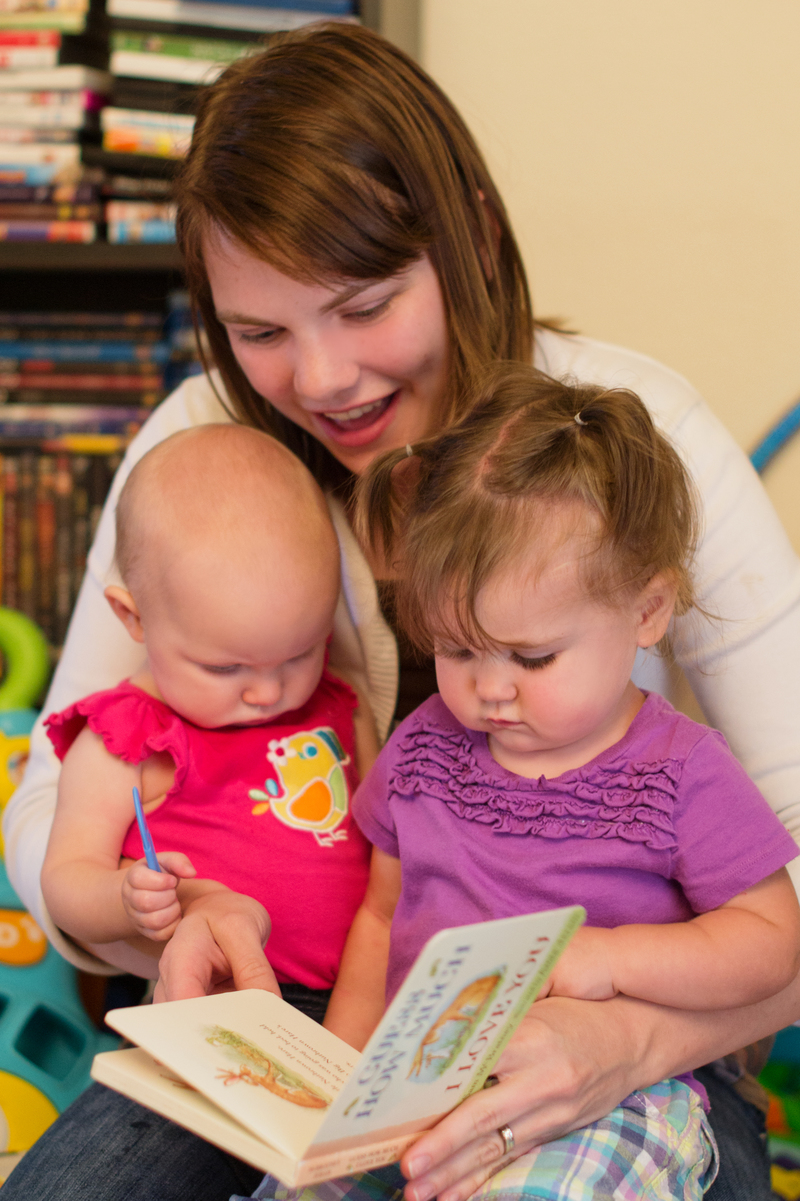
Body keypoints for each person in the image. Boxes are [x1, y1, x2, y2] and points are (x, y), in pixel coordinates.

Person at [2, 20, 800, 1201]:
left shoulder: (633, 439)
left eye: (364, 305)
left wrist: (627, 1032)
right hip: (285, 1014)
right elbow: (47, 808)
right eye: (258, 332)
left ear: (469, 233)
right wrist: (169, 920)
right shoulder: (200, 453)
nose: (322, 379)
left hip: (626, 1031)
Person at [280, 367, 800, 1201]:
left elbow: (773, 941)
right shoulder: (423, 749)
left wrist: (614, 958)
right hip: (420, 1092)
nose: (490, 688)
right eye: (456, 648)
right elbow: (380, 914)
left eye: (532, 657)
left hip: (614, 1096)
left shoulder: (678, 770)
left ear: (647, 611)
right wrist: (336, 1079)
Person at [40, 424, 375, 1001]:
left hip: (360, 994)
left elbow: (387, 840)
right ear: (134, 618)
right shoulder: (126, 737)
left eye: (300, 653)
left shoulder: (338, 705)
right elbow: (66, 879)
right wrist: (124, 898)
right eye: (225, 668)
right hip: (209, 994)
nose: (268, 691)